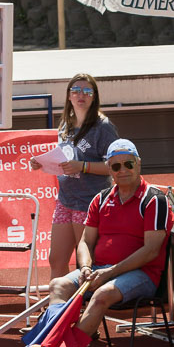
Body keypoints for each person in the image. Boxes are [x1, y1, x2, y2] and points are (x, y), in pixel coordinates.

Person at [23, 139, 173, 347]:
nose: (123, 170)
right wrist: (84, 268)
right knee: (58, 285)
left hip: (142, 274)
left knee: (102, 294)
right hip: (99, 269)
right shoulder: (101, 199)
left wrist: (109, 273)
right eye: (116, 167)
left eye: (129, 164)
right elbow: (85, 242)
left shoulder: (155, 200)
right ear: (110, 169)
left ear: (139, 164)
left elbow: (150, 251)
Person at [30, 73, 118, 279]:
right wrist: (42, 162)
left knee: (86, 263)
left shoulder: (103, 127)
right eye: (76, 91)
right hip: (65, 200)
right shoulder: (65, 125)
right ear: (69, 96)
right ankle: (59, 308)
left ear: (94, 97)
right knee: (56, 259)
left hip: (89, 203)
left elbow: (115, 166)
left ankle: (89, 308)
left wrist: (83, 166)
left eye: (87, 91)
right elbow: (65, 158)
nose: (81, 95)